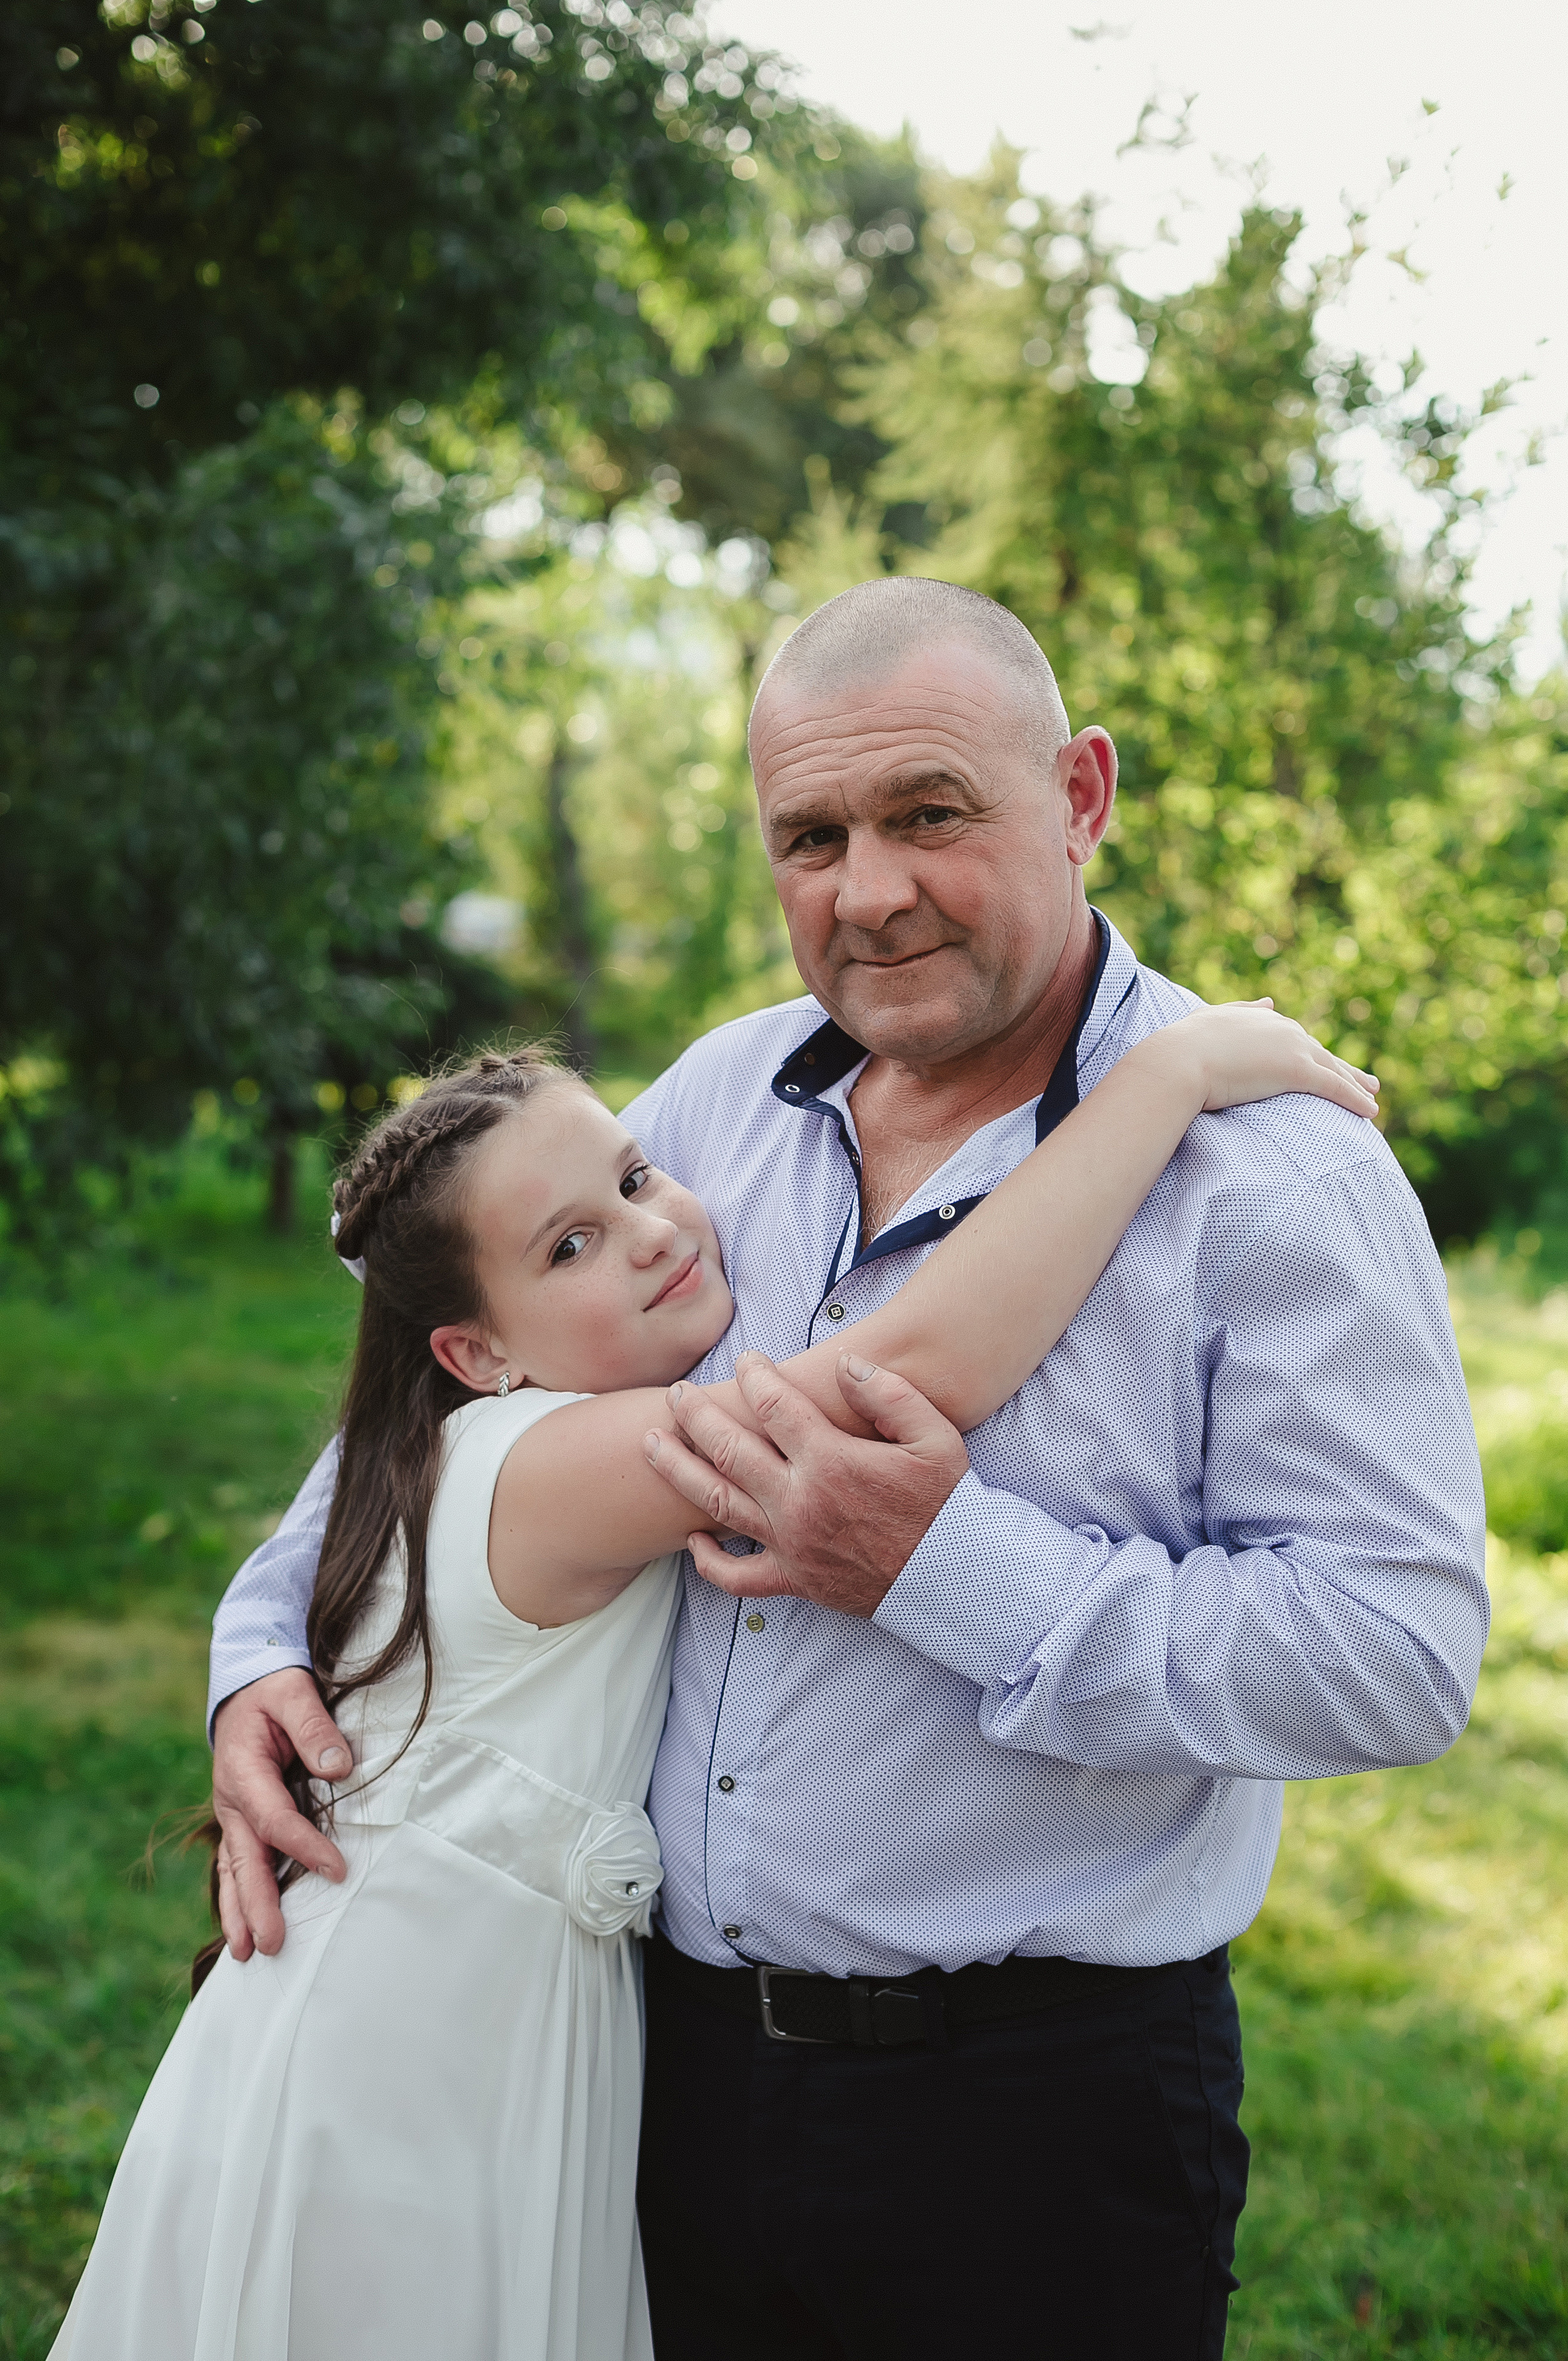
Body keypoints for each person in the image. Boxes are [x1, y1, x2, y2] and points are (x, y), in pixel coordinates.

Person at [205, 579, 1488, 2361]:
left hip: (1036, 2129)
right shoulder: (713, 1103)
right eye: (812, 836)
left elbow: (1398, 1651)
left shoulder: (1284, 1184)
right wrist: (260, 1643)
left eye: (930, 815)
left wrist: (951, 1564)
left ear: (1083, 795)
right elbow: (440, 1393)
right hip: (651, 2074)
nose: (867, 890)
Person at [52, 1008, 1369, 2361]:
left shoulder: (477, 1430)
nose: (650, 1231)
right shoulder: (533, 1463)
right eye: (569, 1246)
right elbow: (893, 1383)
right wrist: (1164, 1080)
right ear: (474, 1355)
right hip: (401, 2052)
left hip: (505, 2026)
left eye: (633, 1178)